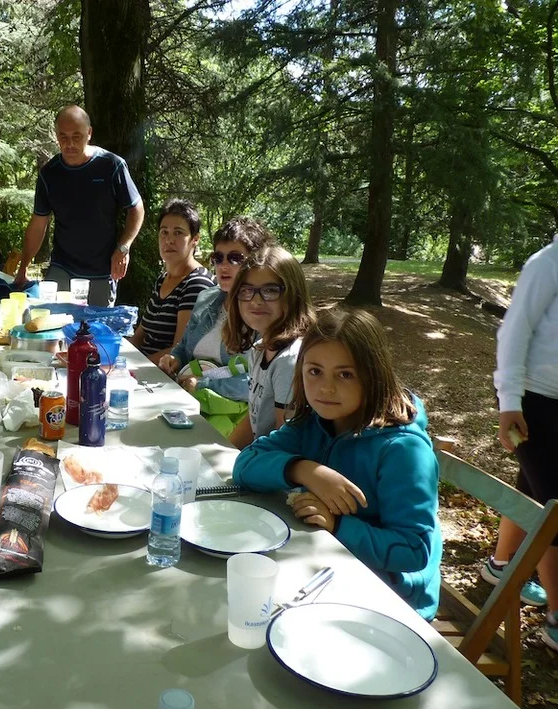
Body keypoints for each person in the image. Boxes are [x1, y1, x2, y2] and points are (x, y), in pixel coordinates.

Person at [233, 308, 443, 620]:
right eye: (315, 371)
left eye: (345, 374)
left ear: (373, 376)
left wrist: (338, 525)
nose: (326, 388)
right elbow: (245, 465)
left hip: (390, 598)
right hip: (322, 565)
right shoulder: (313, 422)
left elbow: (413, 550)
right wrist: (304, 470)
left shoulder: (404, 451)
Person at [486, 234, 558, 648]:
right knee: (554, 508)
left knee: (532, 487)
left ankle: (499, 565)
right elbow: (514, 331)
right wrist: (509, 402)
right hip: (529, 402)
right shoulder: (548, 263)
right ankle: (557, 619)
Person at [13, 105, 145, 307]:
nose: (70, 144)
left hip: (101, 271)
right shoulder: (49, 174)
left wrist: (124, 247)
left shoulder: (111, 165)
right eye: (63, 137)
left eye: (77, 136)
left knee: (94, 324)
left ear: (89, 133)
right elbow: (39, 223)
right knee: (52, 319)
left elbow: (136, 208)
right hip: (62, 267)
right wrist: (23, 267)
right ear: (56, 135)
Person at [157, 217, 275, 433]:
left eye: (235, 258)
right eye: (218, 258)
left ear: (256, 262)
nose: (223, 266)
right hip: (186, 404)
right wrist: (174, 359)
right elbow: (184, 345)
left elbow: (257, 384)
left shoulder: (262, 314)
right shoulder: (206, 298)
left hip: (232, 418)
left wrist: (203, 385)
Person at [225, 244, 314, 449]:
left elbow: (286, 442)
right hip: (259, 456)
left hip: (275, 463)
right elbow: (254, 418)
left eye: (270, 290)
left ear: (293, 295)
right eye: (247, 290)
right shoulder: (260, 348)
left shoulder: (289, 360)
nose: (256, 301)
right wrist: (225, 451)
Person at [130, 199, 214, 363]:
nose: (169, 240)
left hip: (163, 372)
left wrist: (133, 366)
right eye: (164, 232)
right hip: (141, 364)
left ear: (195, 239)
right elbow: (139, 337)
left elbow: (179, 351)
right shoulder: (163, 279)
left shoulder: (197, 283)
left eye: (178, 233)